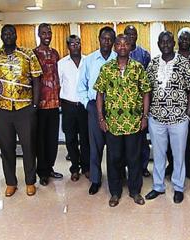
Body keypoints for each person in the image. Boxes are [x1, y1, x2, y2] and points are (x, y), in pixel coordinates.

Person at [94, 34, 151, 207]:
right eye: (119, 44)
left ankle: (135, 191)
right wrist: (101, 118)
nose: (122, 46)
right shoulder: (106, 68)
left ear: (130, 47)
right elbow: (99, 94)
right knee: (114, 159)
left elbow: (146, 93)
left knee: (134, 159)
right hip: (113, 124)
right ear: (114, 47)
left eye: (126, 43)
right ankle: (115, 192)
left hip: (134, 123)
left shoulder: (138, 68)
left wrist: (145, 117)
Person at [145, 31, 190, 204]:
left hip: (179, 119)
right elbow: (146, 90)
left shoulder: (184, 63)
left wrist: (188, 113)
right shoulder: (153, 64)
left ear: (173, 42)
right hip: (156, 118)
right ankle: (158, 186)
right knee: (159, 154)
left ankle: (178, 187)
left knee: (179, 154)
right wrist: (147, 114)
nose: (165, 44)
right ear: (158, 43)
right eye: (162, 42)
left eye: (168, 41)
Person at [0, 24, 42, 197]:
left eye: (11, 32)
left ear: (16, 35)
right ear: (1, 36)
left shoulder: (27, 54)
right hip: (2, 110)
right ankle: (11, 182)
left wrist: (34, 105)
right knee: (6, 148)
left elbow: (36, 80)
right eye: (5, 33)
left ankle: (30, 182)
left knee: (28, 147)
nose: (8, 35)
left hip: (25, 108)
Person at [78, 26, 116, 195]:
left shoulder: (119, 59)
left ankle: (116, 178)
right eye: (104, 38)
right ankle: (95, 180)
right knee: (95, 146)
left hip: (116, 108)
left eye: (110, 39)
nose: (106, 42)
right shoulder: (89, 60)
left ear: (114, 41)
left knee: (115, 146)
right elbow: (81, 87)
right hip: (94, 107)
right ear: (99, 39)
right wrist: (88, 105)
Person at [166, 27, 190, 179]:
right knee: (170, 139)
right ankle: (172, 165)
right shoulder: (170, 57)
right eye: (182, 39)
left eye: (187, 39)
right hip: (171, 106)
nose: (184, 41)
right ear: (177, 41)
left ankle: (189, 167)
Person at [33, 23, 63, 186]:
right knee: (41, 140)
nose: (47, 35)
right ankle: (42, 172)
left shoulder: (55, 53)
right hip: (40, 105)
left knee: (52, 139)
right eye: (44, 32)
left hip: (54, 104)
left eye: (49, 32)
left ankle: (50, 168)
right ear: (39, 34)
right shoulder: (33, 54)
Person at [58, 35, 90, 182]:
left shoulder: (87, 61)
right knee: (70, 139)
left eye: (78, 43)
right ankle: (74, 168)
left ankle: (86, 167)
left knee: (85, 139)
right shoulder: (61, 63)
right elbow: (58, 84)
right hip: (68, 106)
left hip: (84, 107)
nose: (76, 46)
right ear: (68, 46)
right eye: (72, 44)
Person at [124, 25, 151, 177]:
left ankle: (143, 166)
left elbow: (147, 82)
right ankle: (128, 168)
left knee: (142, 140)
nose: (131, 36)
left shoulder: (144, 54)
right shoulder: (120, 53)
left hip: (140, 105)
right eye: (128, 34)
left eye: (133, 34)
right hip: (123, 106)